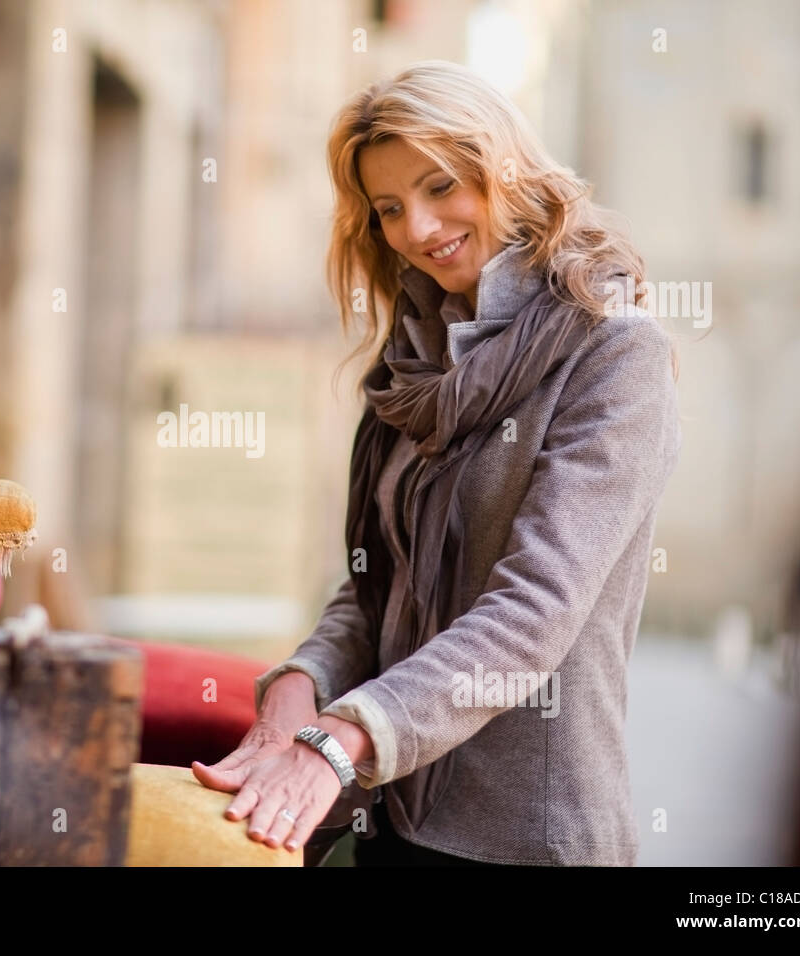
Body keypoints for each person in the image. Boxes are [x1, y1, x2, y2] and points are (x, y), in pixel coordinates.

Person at [191, 60, 682, 866]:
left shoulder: (613, 352)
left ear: (505, 169)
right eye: (388, 207)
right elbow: (376, 581)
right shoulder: (413, 363)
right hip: (391, 818)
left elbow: (530, 616)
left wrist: (344, 735)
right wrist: (300, 681)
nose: (416, 229)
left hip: (523, 838)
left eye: (441, 186)